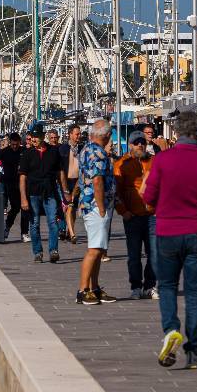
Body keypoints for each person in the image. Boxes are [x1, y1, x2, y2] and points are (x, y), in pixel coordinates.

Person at [143, 111, 197, 370]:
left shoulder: (163, 161)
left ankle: (170, 330)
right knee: (194, 293)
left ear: (176, 133)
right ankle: (194, 351)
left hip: (167, 232)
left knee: (166, 286)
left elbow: (149, 198)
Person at [76, 120, 118, 305]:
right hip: (95, 205)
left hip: (90, 203)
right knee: (94, 250)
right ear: (107, 135)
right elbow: (97, 181)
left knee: (98, 248)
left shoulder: (86, 149)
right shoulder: (98, 153)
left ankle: (94, 287)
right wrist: (101, 207)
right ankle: (83, 289)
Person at [114, 131, 158, 300]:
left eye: (143, 142)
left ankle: (150, 285)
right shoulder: (122, 164)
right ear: (130, 145)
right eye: (136, 142)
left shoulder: (153, 162)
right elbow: (116, 191)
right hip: (132, 215)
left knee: (154, 253)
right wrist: (123, 211)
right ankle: (136, 286)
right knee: (134, 255)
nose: (140, 145)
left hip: (152, 214)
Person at [19, 128, 69, 263]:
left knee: (53, 222)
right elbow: (22, 177)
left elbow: (60, 173)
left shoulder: (53, 152)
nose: (33, 139)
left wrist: (65, 192)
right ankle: (38, 252)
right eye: (31, 137)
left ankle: (53, 250)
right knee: (34, 224)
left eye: (36, 137)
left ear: (43, 136)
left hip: (50, 192)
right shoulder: (27, 154)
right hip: (33, 193)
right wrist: (23, 198)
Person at [0, 133, 28, 241]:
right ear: (10, 142)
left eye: (16, 144)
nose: (14, 146)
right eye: (13, 144)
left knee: (25, 209)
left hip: (24, 184)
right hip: (10, 184)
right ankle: (7, 226)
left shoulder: (23, 150)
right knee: (16, 208)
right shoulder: (5, 151)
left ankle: (24, 233)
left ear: (19, 143)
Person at [59, 125, 84, 244]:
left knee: (73, 207)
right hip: (66, 181)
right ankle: (72, 233)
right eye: (76, 134)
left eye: (79, 134)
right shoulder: (63, 148)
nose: (79, 136)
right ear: (70, 134)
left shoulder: (82, 148)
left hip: (78, 181)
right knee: (69, 206)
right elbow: (60, 168)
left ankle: (70, 230)